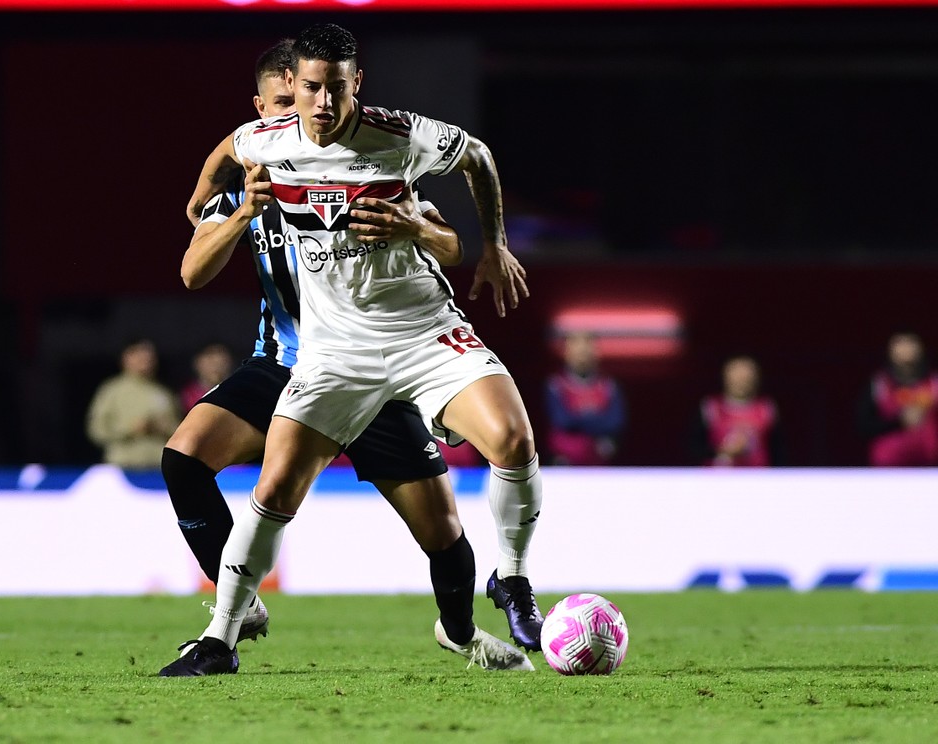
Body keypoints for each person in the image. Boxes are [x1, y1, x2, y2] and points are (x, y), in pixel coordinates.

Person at [161, 24, 542, 677]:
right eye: (294, 98)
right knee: (213, 467)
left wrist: (452, 234)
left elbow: (454, 231)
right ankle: (226, 628)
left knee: (446, 528)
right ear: (267, 107)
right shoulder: (259, 167)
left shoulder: (392, 150)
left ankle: (469, 621)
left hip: (408, 343)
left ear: (352, 86)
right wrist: (215, 206)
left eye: (322, 92)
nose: (309, 109)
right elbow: (199, 241)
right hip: (306, 360)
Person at [86, 339, 181, 470]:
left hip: (158, 469)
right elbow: (97, 430)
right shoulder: (112, 391)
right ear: (126, 358)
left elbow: (181, 433)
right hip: (122, 468)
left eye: (149, 356)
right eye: (139, 355)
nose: (145, 359)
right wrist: (130, 429)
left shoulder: (164, 393)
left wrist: (164, 428)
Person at [545, 331, 626, 466]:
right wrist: (596, 420)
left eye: (586, 350)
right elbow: (562, 421)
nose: (582, 356)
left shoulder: (609, 386)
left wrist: (579, 419)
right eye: (577, 350)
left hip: (601, 466)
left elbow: (615, 422)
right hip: (563, 466)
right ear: (567, 353)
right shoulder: (556, 385)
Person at [857, 332, 938, 466]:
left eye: (910, 343)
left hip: (930, 466)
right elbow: (863, 425)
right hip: (888, 467)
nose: (905, 349)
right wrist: (899, 422)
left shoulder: (934, 383)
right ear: (890, 349)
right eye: (900, 343)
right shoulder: (879, 384)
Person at [690, 355, 784, 467]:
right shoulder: (710, 407)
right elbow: (693, 448)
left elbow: (779, 451)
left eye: (746, 375)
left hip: (759, 477)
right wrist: (723, 451)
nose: (741, 379)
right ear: (725, 376)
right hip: (718, 477)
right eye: (736, 374)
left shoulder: (767, 408)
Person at [179, 342, 234, 412]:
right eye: (211, 362)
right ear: (197, 363)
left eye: (220, 363)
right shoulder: (186, 396)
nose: (216, 368)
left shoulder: (239, 393)